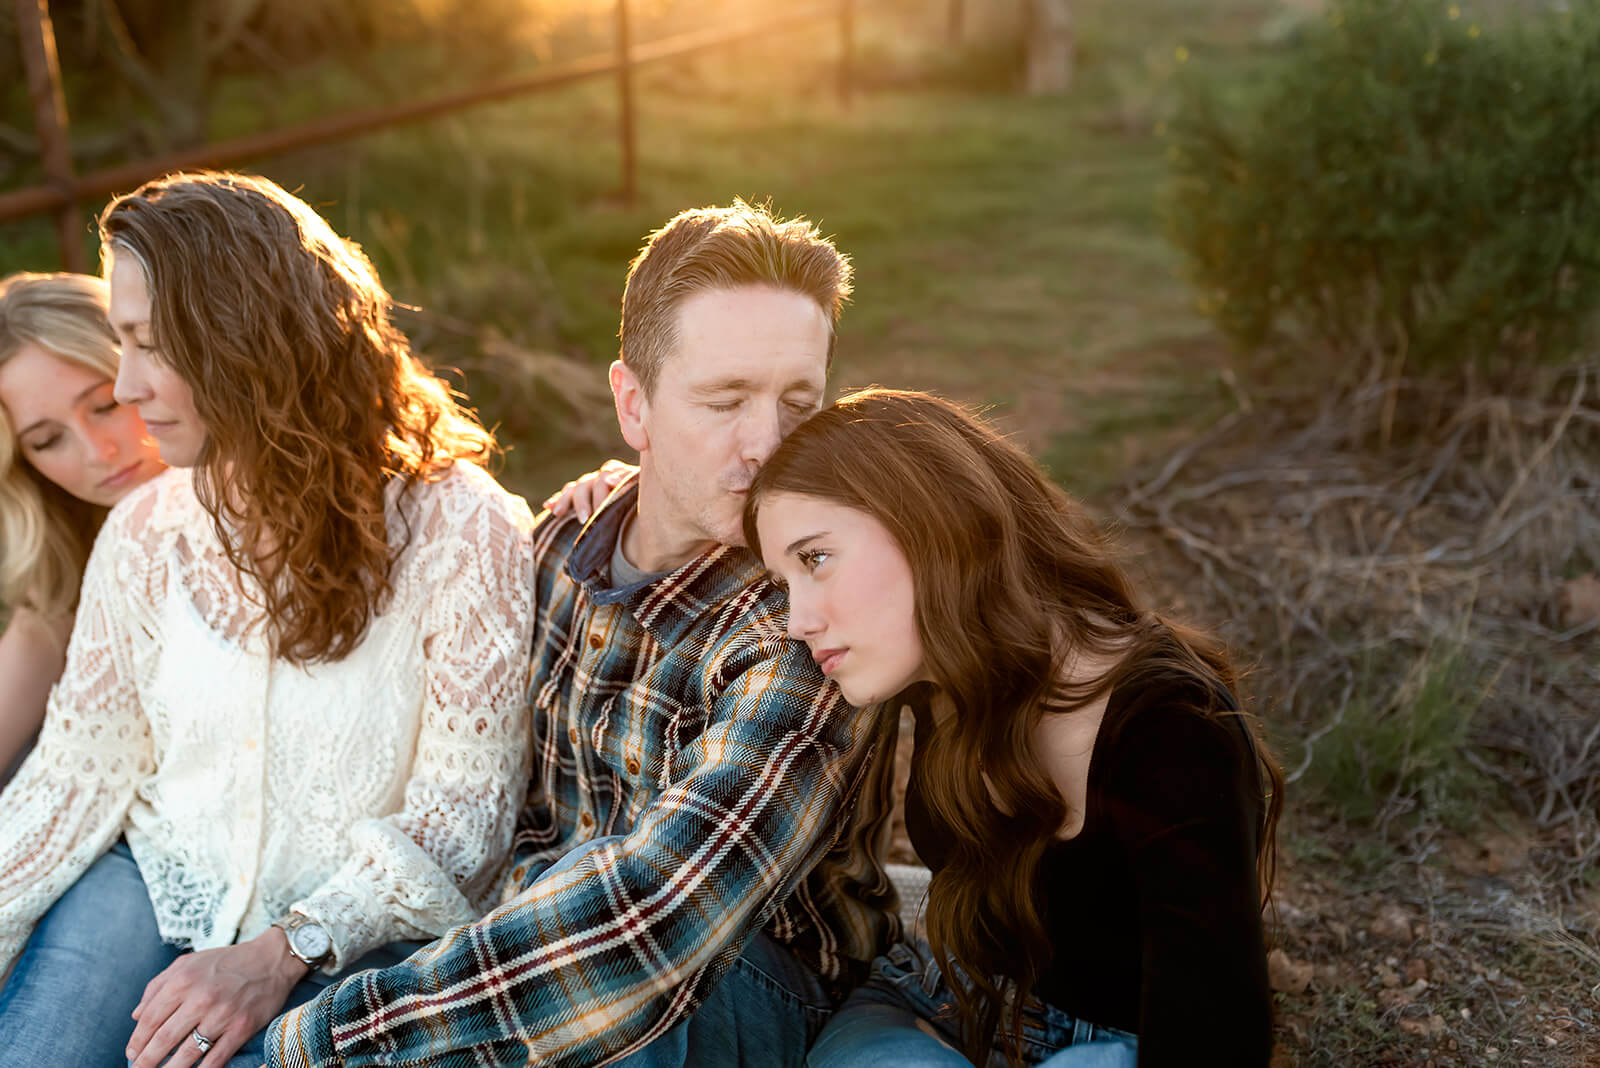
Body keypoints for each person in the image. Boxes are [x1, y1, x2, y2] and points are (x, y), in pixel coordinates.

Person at [261, 201, 897, 1068]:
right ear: (633, 406)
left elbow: (652, 919)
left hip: (740, 975)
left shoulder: (807, 619)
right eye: (724, 400)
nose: (772, 444)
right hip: (529, 934)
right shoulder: (561, 539)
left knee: (593, 919)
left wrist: (325, 1039)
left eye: (800, 401)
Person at [0, 171, 538, 1068]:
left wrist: (282, 950)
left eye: (151, 345)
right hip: (156, 881)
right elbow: (70, 779)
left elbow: (462, 822)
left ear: (251, 336)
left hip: (355, 937)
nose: (127, 386)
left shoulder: (458, 526)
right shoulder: (142, 530)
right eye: (121, 344)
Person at [745, 389, 1283, 1068]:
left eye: (816, 559)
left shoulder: (1174, 727)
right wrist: (621, 493)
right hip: (931, 1005)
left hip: (1118, 1043)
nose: (798, 621)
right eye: (784, 581)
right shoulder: (934, 675)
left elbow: (1215, 1027)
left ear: (931, 519)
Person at [0, 272, 167, 786]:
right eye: (48, 440)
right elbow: (35, 639)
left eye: (106, 406)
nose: (99, 453)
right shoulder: (71, 542)